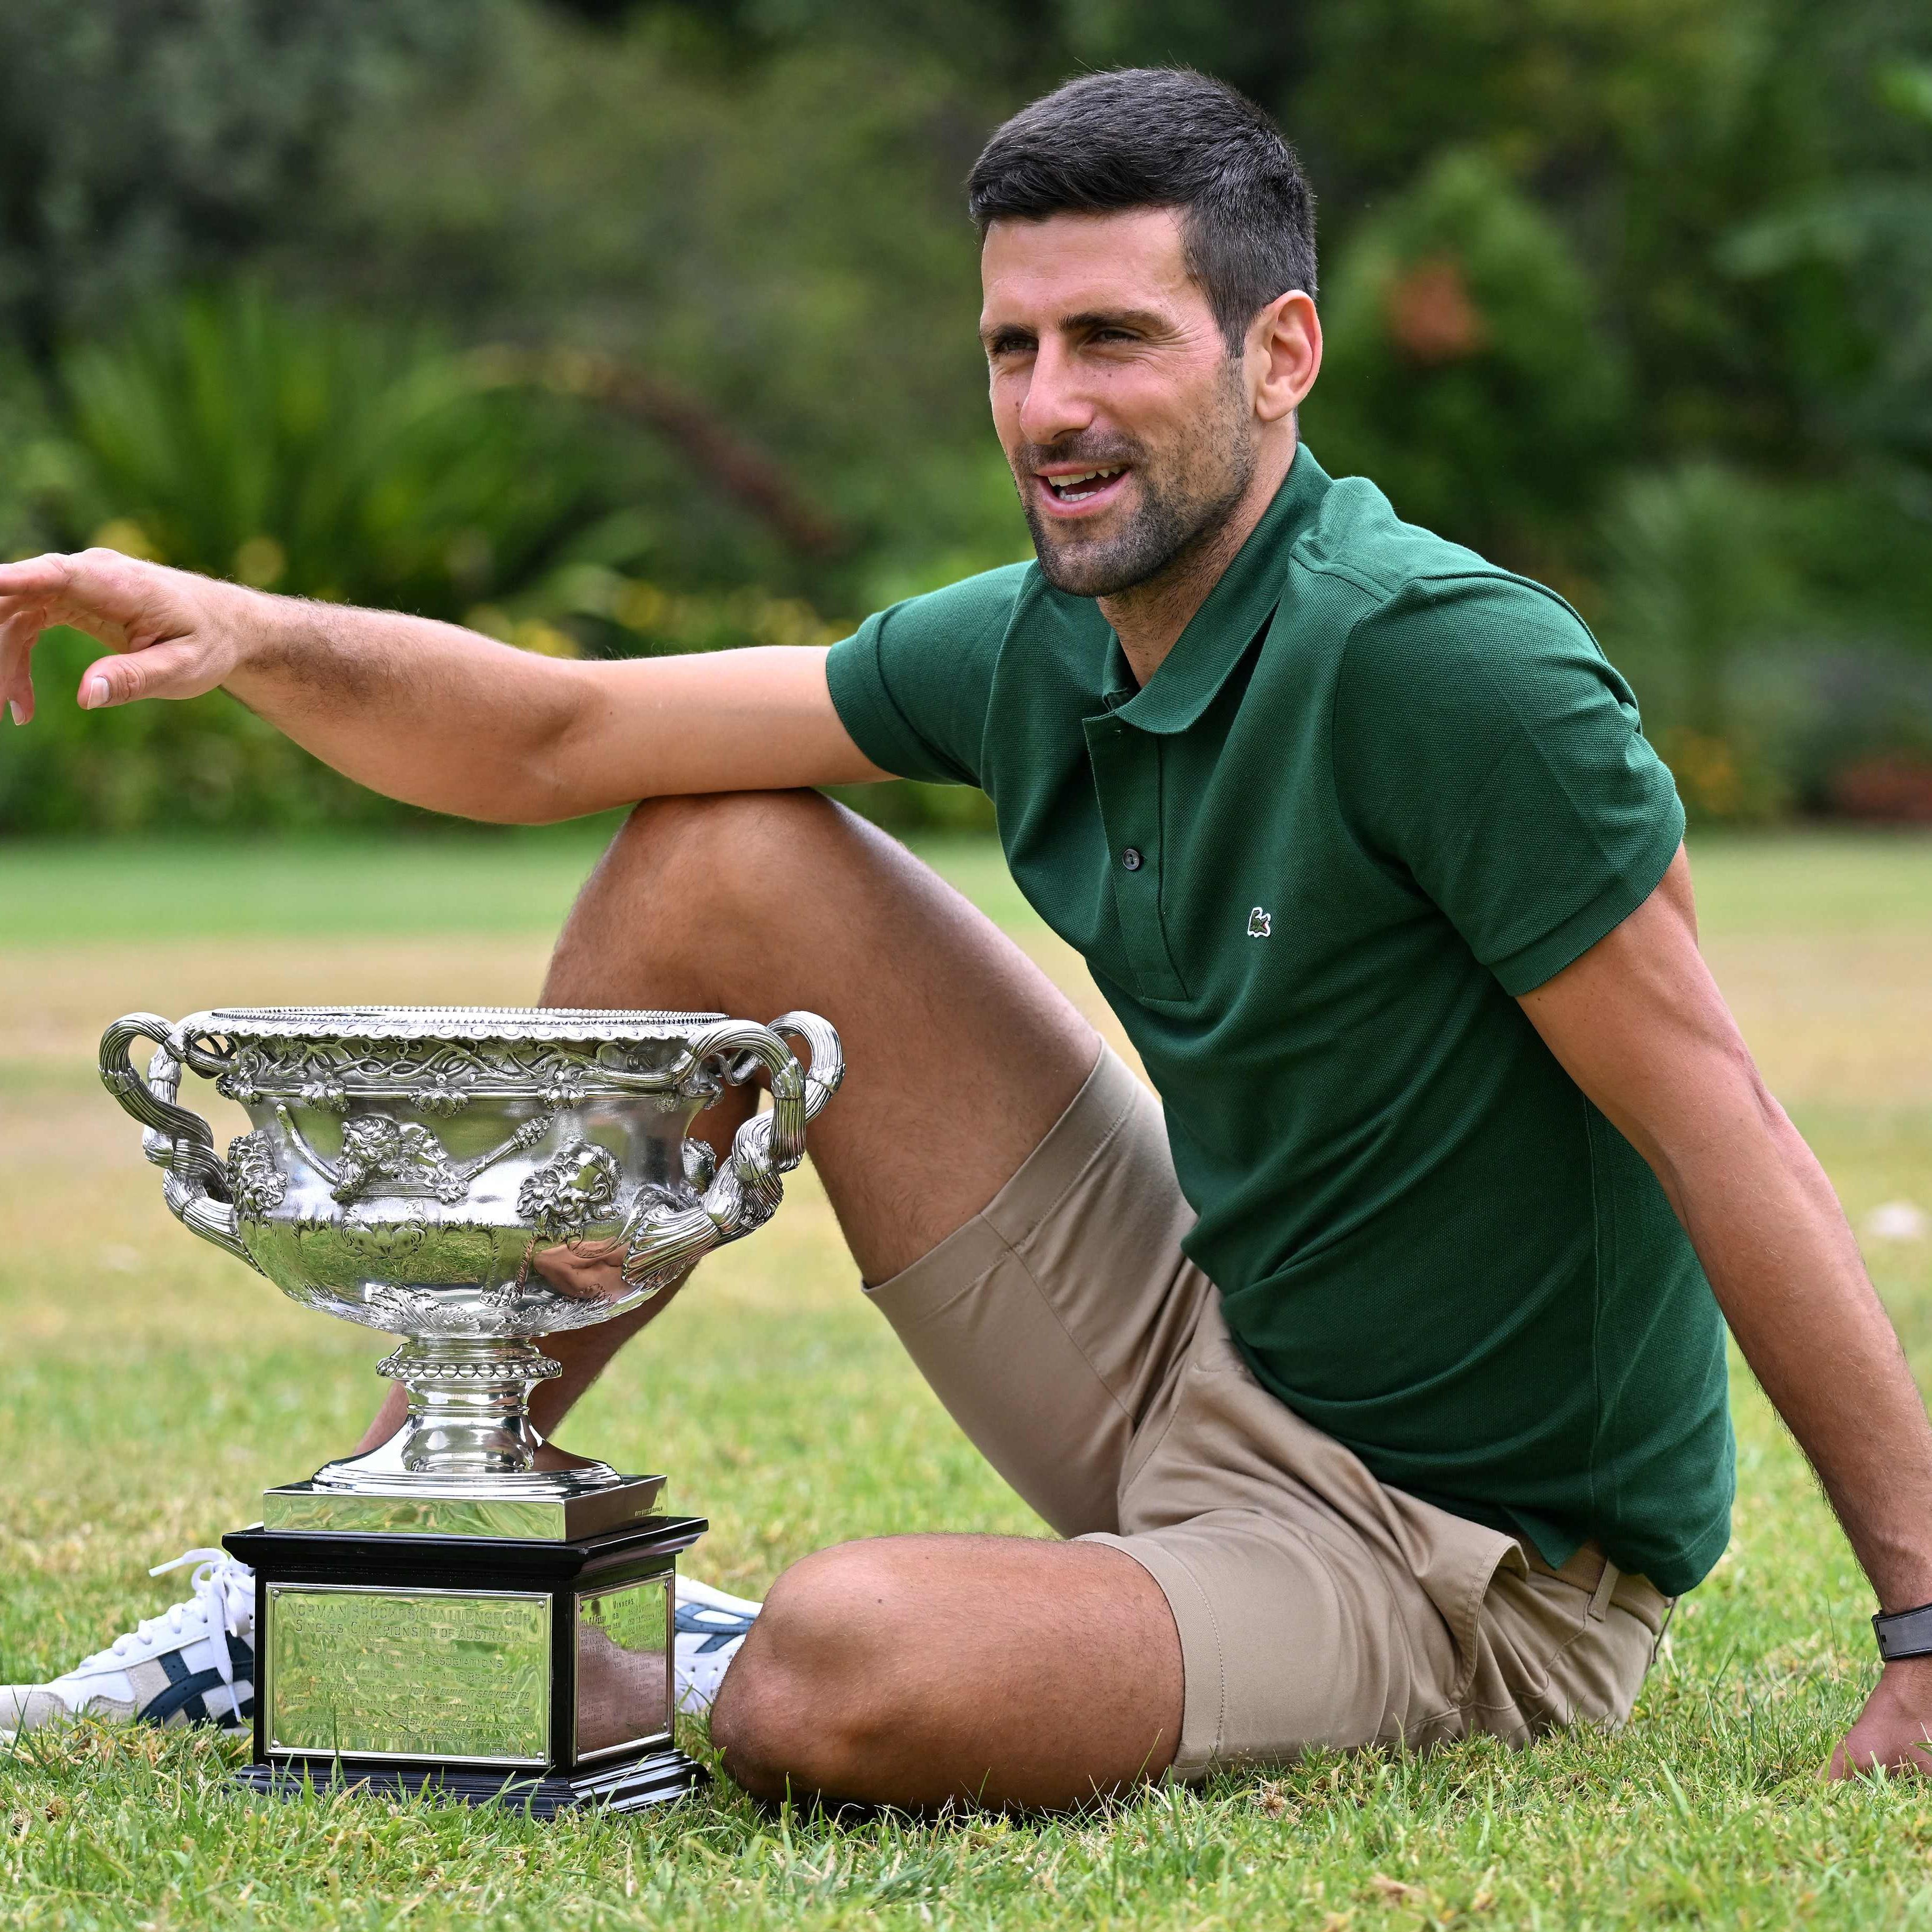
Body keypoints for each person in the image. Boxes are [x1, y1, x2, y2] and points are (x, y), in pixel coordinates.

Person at [3, 66, 1930, 1807]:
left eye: (1112, 338)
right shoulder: (1046, 640)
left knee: (836, 1679)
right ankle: (406, 1555)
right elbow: (561, 731)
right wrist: (254, 630)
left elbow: (1718, 1128)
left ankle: (655, 1645)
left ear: (1282, 353)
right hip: (1202, 1328)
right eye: (1012, 346)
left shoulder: (1444, 668)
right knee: (719, 851)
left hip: (1445, 1558)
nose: (1050, 405)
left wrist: (1921, 1625)